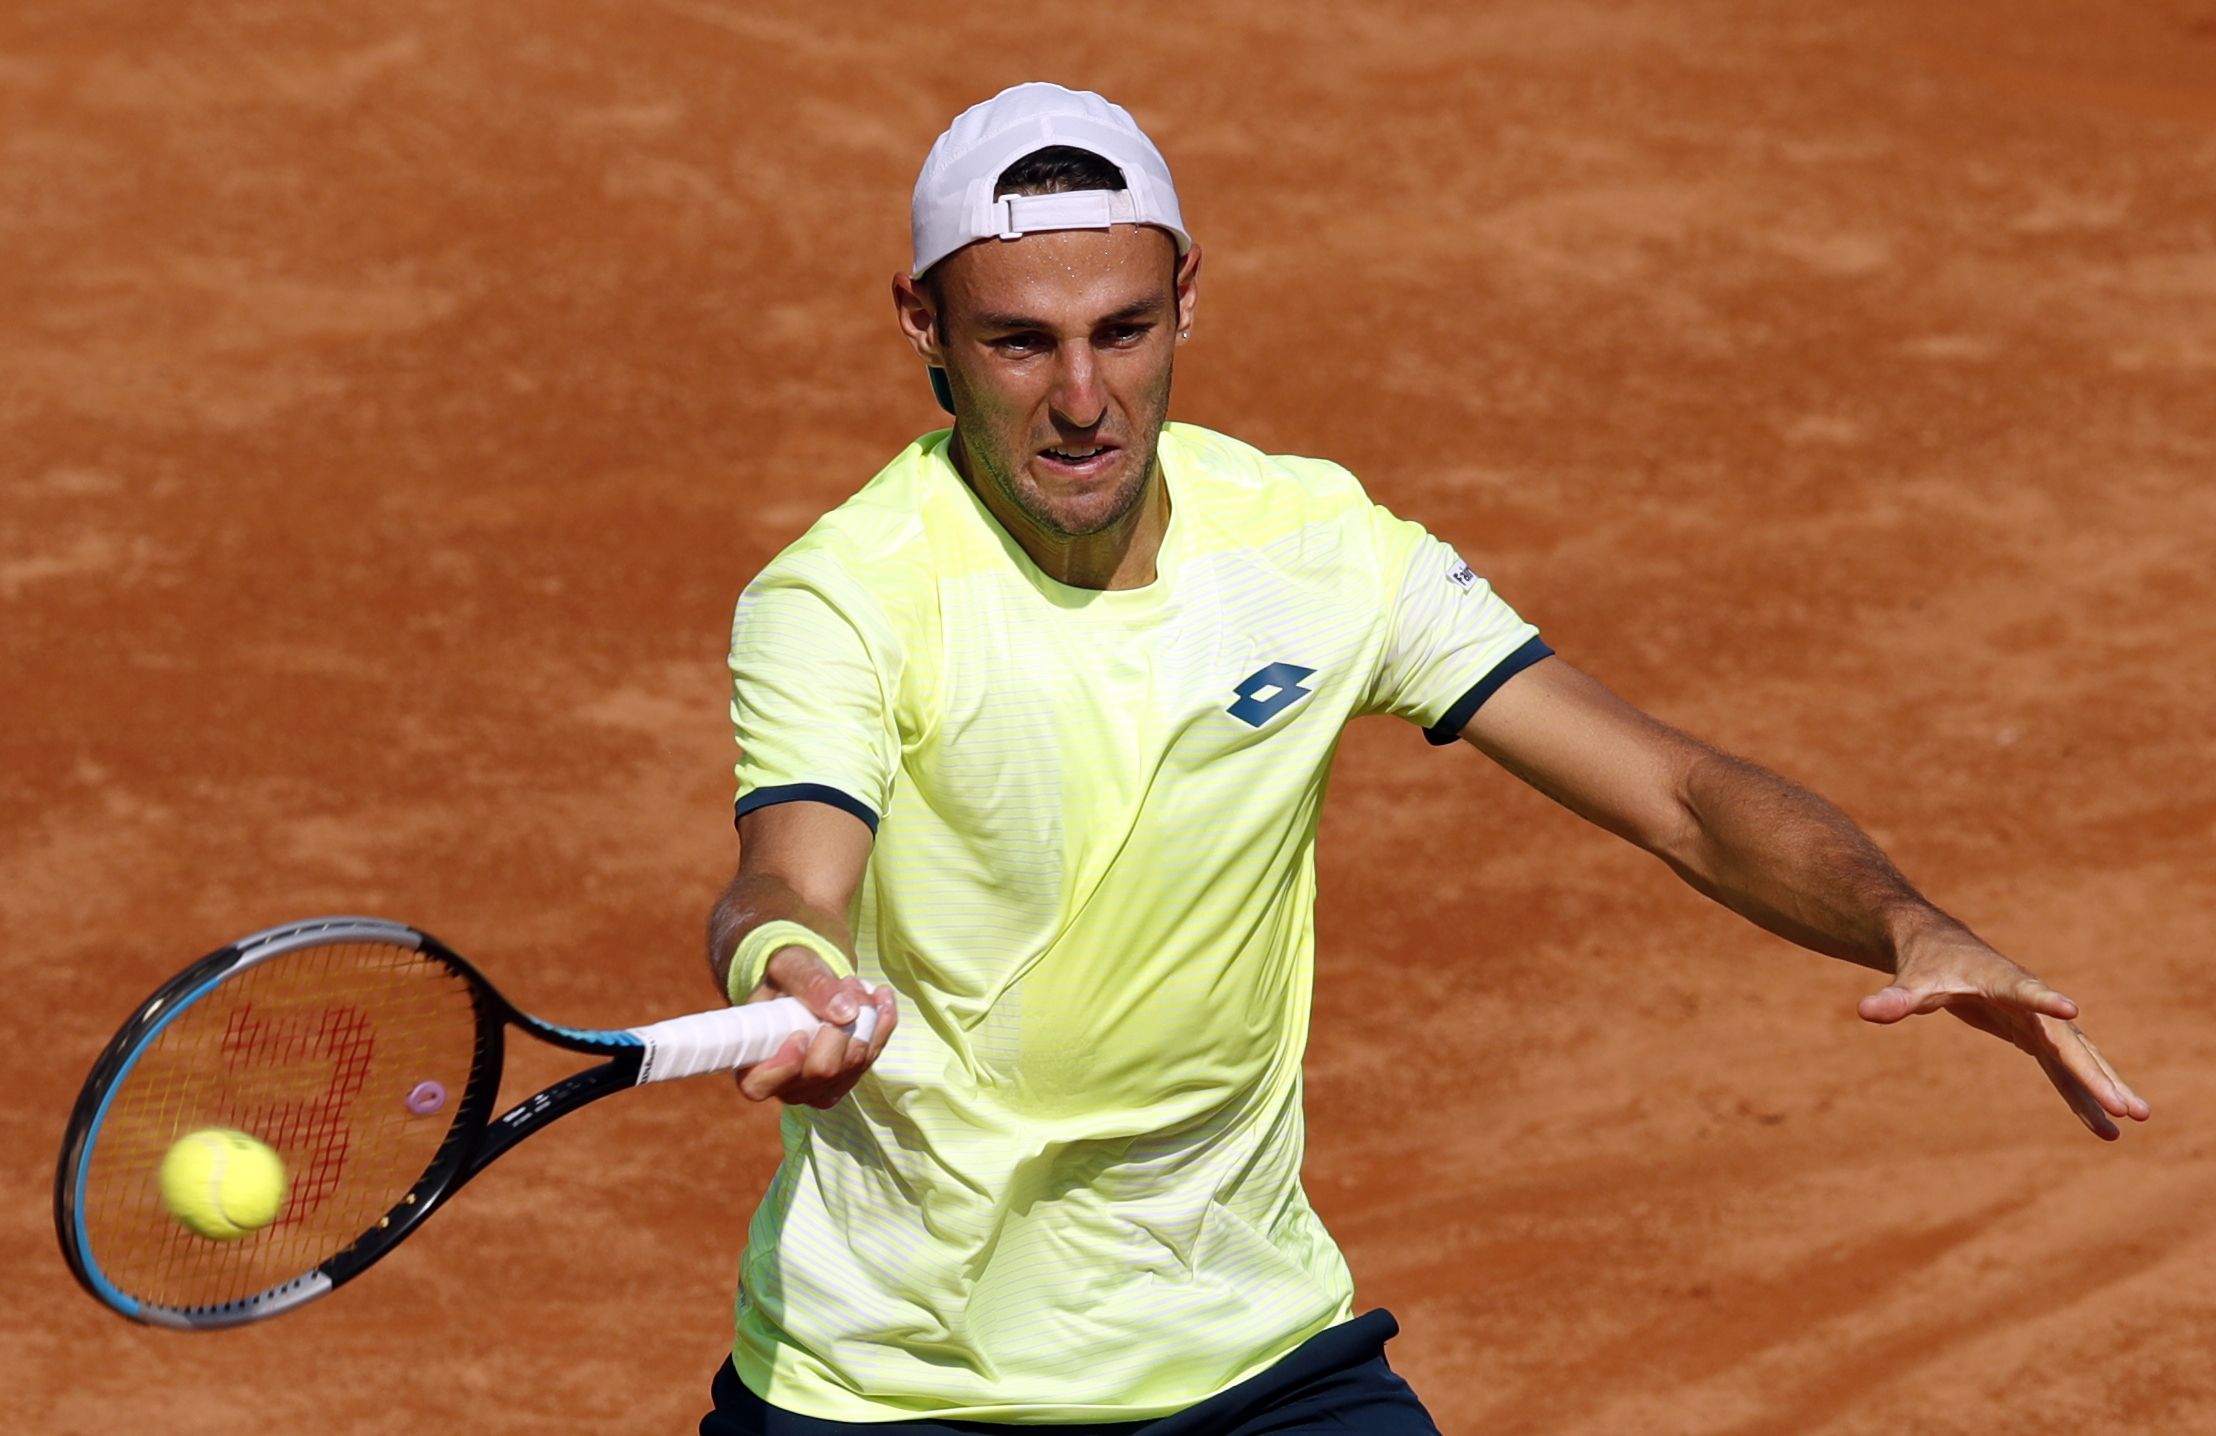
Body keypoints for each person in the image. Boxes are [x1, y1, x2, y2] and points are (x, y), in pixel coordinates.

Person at [695, 83, 2147, 1435]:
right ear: (924, 324)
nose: (1083, 397)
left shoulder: (1323, 548)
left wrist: (1910, 920)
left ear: (1187, 298)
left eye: (1125, 330)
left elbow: (1680, 798)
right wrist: (791, 976)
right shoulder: (846, 597)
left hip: (1251, 1352)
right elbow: (788, 880)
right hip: (898, 1386)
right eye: (1022, 341)